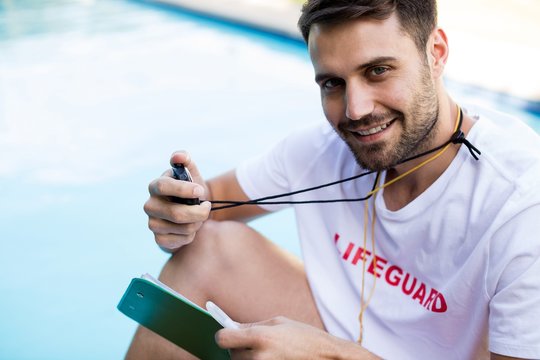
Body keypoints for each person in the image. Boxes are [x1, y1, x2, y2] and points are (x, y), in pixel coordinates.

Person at [126, 0, 540, 359]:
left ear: (436, 53)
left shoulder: (522, 202)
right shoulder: (325, 147)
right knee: (207, 248)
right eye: (333, 83)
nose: (356, 110)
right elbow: (209, 203)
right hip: (344, 333)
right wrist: (179, 208)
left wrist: (327, 355)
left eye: (378, 70)